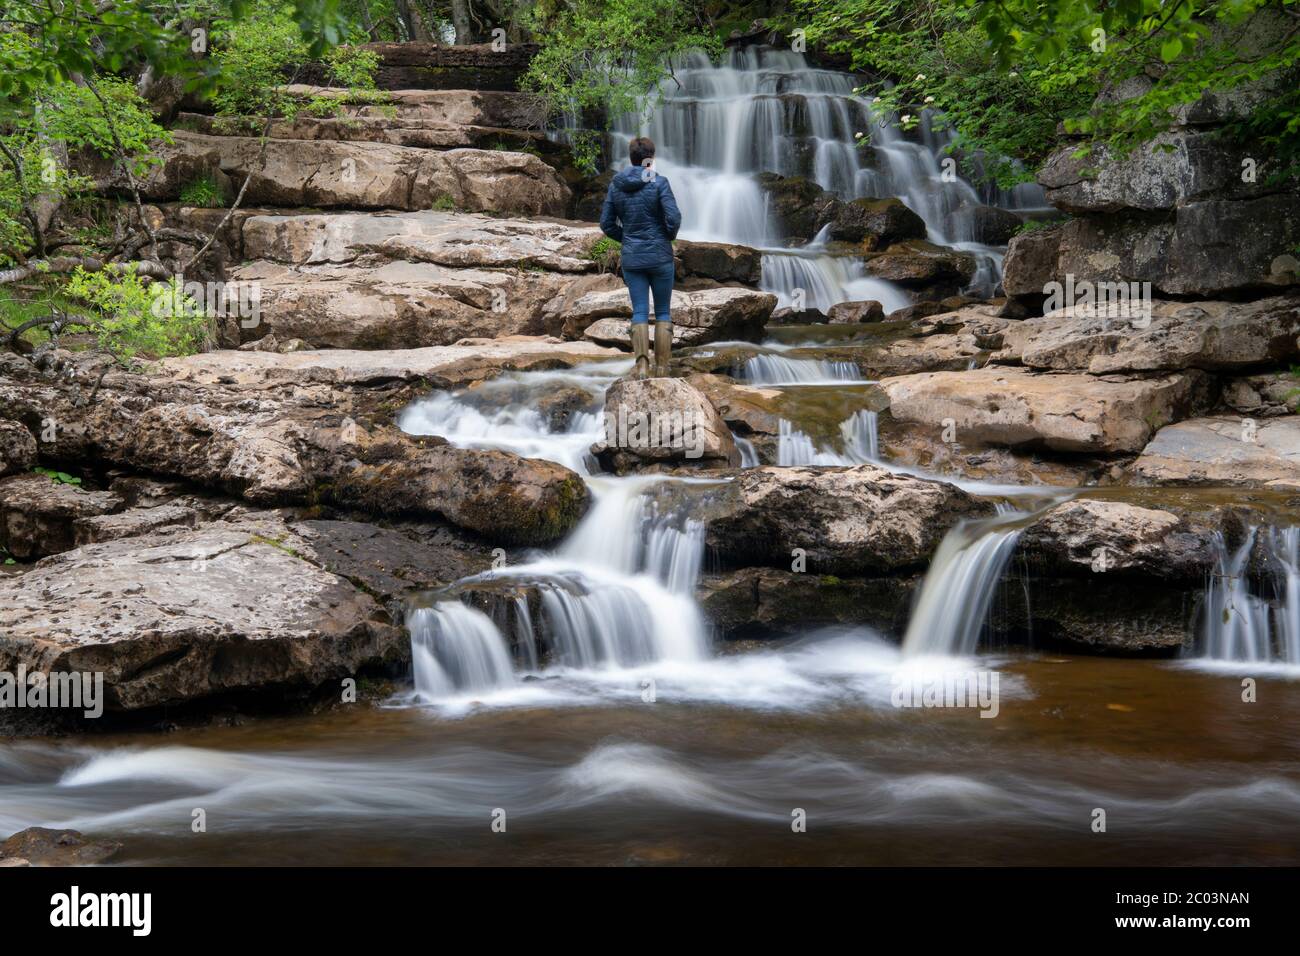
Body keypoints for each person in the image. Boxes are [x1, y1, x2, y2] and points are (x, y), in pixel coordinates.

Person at [599, 136, 682, 378]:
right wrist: (666, 236)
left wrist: (626, 237)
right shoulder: (659, 182)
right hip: (660, 256)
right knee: (664, 312)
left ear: (631, 158)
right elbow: (674, 218)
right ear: (651, 159)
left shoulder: (617, 185)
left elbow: (606, 223)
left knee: (640, 312)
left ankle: (642, 366)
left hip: (633, 257)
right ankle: (663, 368)